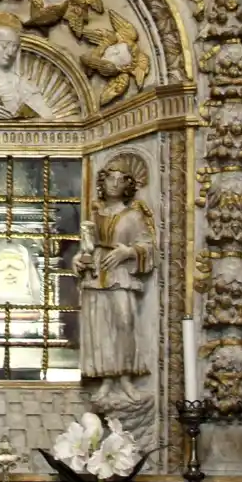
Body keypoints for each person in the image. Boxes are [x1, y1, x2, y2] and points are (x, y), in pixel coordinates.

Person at [76, 153, 158, 409]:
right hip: (96, 274)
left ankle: (125, 378)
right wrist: (78, 260)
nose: (114, 183)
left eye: (120, 179)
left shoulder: (132, 216)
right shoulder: (95, 213)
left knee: (125, 321)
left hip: (120, 273)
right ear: (103, 182)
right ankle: (107, 379)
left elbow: (147, 245)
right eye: (110, 178)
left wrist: (128, 252)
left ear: (128, 185)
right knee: (100, 327)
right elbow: (85, 248)